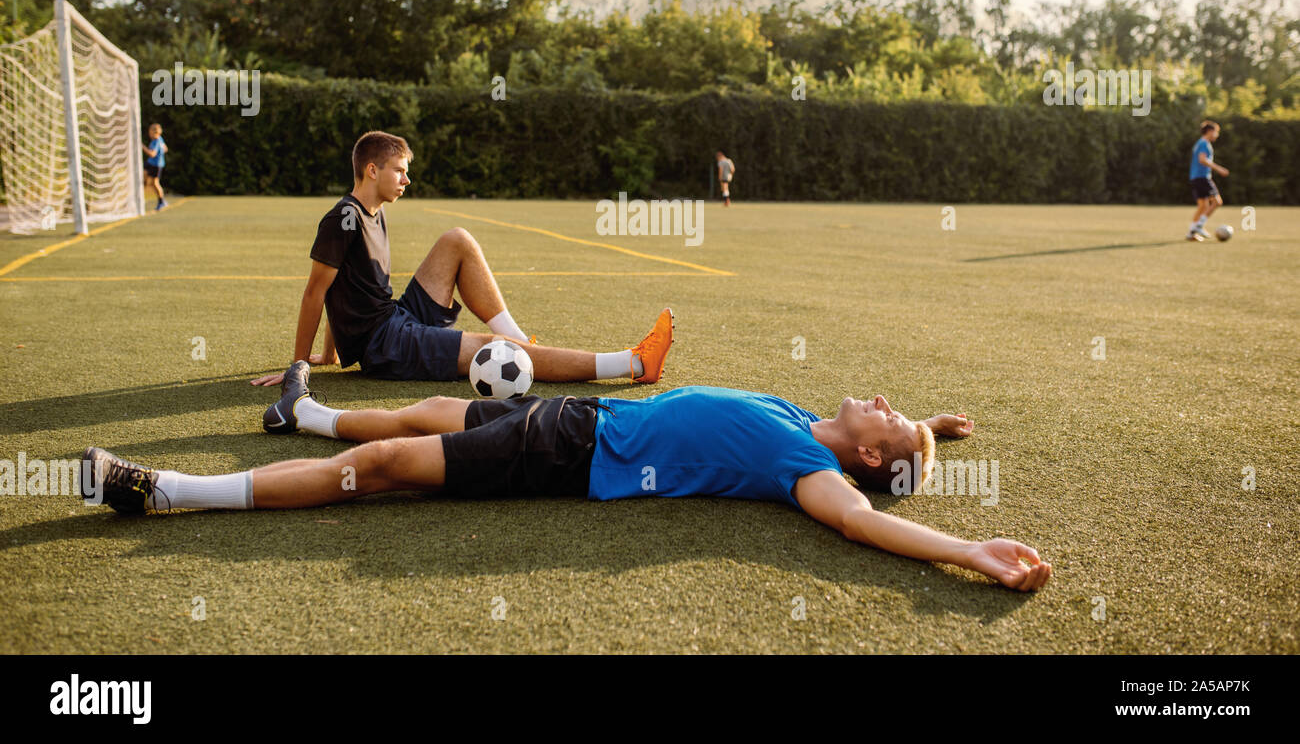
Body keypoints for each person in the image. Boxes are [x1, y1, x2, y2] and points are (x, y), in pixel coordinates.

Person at [82, 383, 1052, 592]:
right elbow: (897, 447)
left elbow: (861, 527)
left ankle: (168, 491)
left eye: (894, 421)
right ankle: (307, 416)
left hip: (565, 461)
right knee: (422, 409)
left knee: (374, 475)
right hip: (571, 417)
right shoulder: (802, 419)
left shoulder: (811, 470)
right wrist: (938, 428)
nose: (883, 400)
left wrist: (968, 551)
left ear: (872, 461)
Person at [251, 131, 674, 421]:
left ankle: (521, 340)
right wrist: (300, 365)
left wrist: (334, 352)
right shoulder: (343, 218)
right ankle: (633, 363)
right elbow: (315, 293)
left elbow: (343, 291)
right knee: (495, 350)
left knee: (457, 240)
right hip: (386, 344)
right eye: (399, 170)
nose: (407, 179)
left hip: (394, 318)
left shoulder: (371, 213)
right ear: (372, 170)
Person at [1186, 120, 1228, 241]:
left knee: (1203, 206)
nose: (1217, 135)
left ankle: (1191, 233)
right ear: (1210, 131)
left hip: (1195, 177)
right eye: (1216, 132)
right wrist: (1219, 169)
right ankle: (1199, 226)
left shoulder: (1200, 143)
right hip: (1202, 177)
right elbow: (1202, 160)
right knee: (1217, 202)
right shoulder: (1204, 143)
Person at [142, 123, 168, 211]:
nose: (149, 133)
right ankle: (141, 197)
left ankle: (161, 201)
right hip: (150, 163)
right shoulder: (160, 139)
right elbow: (165, 148)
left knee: (155, 183)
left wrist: (142, 146)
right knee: (143, 179)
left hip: (156, 165)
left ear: (155, 132)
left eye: (150, 131)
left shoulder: (157, 141)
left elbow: (152, 154)